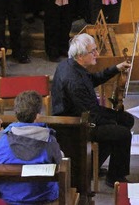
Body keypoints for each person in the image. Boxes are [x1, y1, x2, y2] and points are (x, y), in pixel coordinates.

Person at [52, 33, 134, 187]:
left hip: (85, 112)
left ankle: (94, 165)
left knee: (126, 120)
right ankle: (114, 177)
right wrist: (113, 122)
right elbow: (91, 115)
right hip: (75, 124)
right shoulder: (73, 81)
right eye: (93, 51)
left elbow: (92, 80)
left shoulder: (72, 65)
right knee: (122, 132)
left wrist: (115, 68)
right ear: (81, 55)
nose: (97, 54)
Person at [0, 91, 62, 204]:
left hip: (8, 196)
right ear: (38, 115)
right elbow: (59, 163)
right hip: (42, 197)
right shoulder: (49, 140)